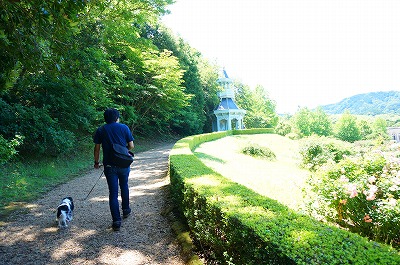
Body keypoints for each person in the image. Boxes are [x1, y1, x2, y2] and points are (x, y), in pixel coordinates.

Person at [93, 108, 134, 231]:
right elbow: (131, 146)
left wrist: (96, 162)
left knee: (113, 193)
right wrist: (122, 149)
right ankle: (126, 210)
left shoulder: (101, 130)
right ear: (117, 117)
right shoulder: (124, 128)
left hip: (109, 166)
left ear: (105, 118)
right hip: (123, 164)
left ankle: (116, 221)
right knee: (124, 186)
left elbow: (97, 148)